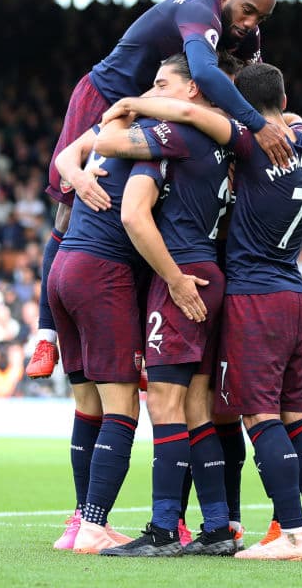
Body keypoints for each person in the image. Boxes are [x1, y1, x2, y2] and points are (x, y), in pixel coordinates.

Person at [26, 0, 287, 381]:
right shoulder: (200, 11)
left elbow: (252, 85)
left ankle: (147, 342)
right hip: (109, 97)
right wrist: (257, 127)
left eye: (261, 16)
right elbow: (203, 73)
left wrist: (278, 124)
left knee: (163, 216)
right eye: (247, 10)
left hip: (162, 109)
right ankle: (44, 335)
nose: (251, 22)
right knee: (71, 212)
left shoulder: (246, 34)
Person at [95, 53, 240, 557]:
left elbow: (133, 213)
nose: (153, 91)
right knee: (197, 405)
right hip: (210, 270)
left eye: (162, 84)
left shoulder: (176, 138)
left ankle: (161, 529)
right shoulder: (217, 142)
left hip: (182, 274)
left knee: (164, 403)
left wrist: (174, 280)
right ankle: (218, 527)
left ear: (193, 91)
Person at [47, 84, 199, 553]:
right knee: (124, 407)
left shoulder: (112, 126)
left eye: (161, 82)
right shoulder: (161, 137)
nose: (154, 88)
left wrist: (76, 172)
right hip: (102, 271)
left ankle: (79, 520)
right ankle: (93, 525)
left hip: (63, 266)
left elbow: (63, 164)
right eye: (152, 83)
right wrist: (174, 278)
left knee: (88, 404)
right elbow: (137, 216)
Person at [209, 63, 302, 561]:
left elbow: (190, 113)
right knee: (297, 416)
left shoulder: (249, 142)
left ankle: (291, 534)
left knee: (260, 416)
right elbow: (291, 115)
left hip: (254, 295)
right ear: (283, 98)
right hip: (293, 291)